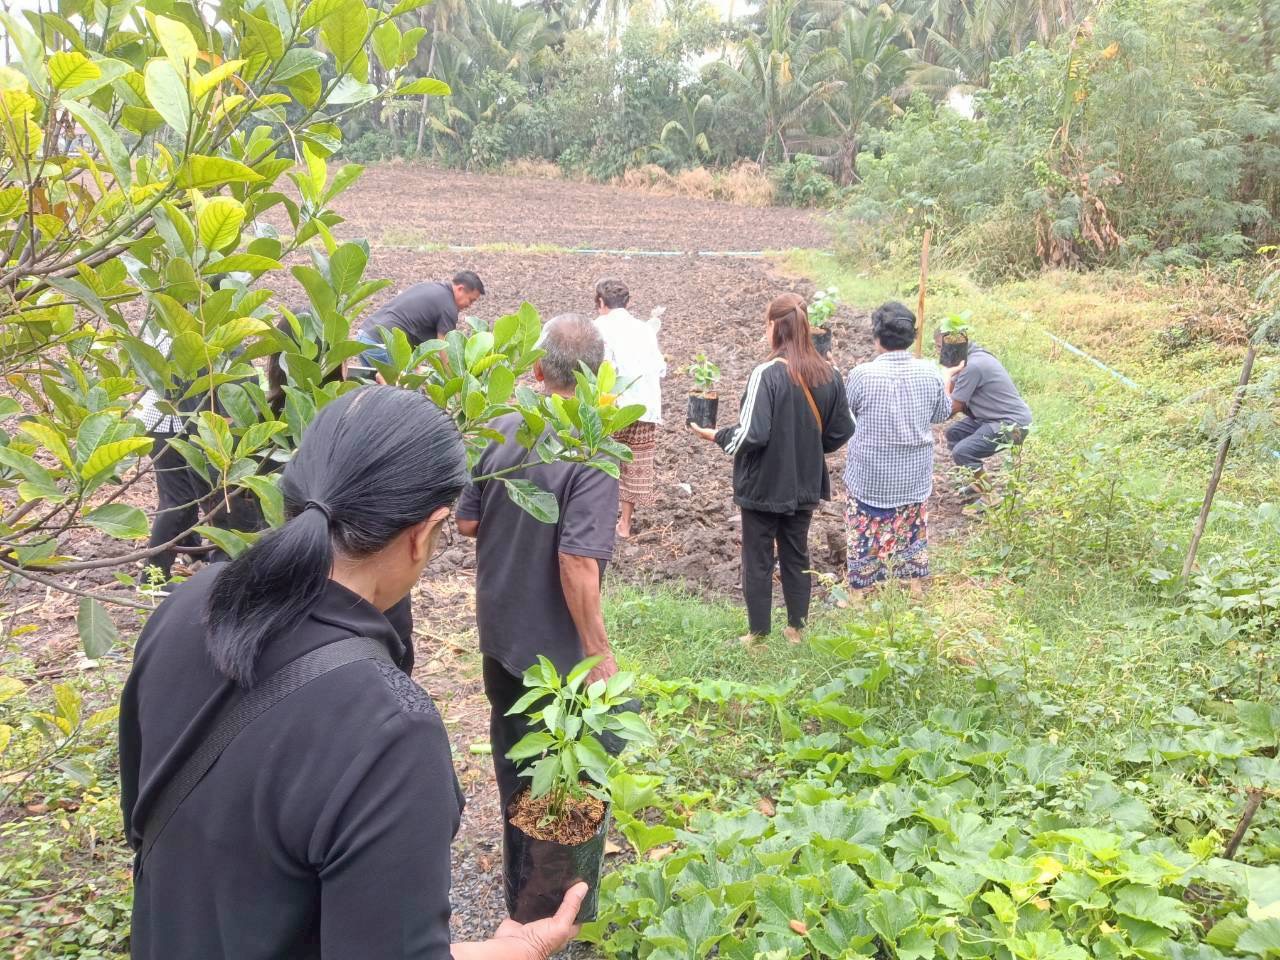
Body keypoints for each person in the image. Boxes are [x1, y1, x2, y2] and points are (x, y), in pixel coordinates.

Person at [119, 386, 587, 960]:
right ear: (425, 530)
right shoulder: (391, 729)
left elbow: (142, 817)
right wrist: (523, 948)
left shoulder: (189, 604)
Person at [456, 314, 621, 823]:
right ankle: (548, 887)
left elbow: (465, 523)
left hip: (501, 630)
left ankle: (520, 874)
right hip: (556, 655)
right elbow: (576, 558)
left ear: (536, 372)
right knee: (563, 776)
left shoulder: (500, 425)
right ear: (598, 375)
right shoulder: (590, 450)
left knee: (513, 759)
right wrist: (598, 652)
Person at [688, 293, 854, 646]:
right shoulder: (830, 373)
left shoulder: (768, 374)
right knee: (797, 553)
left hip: (763, 486)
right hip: (805, 484)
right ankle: (797, 629)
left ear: (775, 327)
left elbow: (752, 433)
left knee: (758, 558)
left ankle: (758, 635)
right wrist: (809, 448)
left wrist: (717, 435)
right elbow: (843, 429)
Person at [844, 302, 951, 593]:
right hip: (913, 477)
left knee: (864, 532)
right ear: (912, 337)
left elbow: (845, 418)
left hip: (870, 477)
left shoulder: (862, 375)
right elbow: (942, 414)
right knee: (911, 527)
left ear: (877, 338)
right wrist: (949, 377)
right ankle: (913, 587)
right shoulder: (930, 373)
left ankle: (860, 592)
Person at [592, 278, 666, 539]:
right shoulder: (645, 329)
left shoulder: (597, 328)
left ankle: (598, 520)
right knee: (633, 464)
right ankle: (624, 524)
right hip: (644, 407)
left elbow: (597, 368)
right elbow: (661, 367)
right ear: (628, 302)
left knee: (600, 462)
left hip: (611, 407)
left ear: (600, 303)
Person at [941, 336, 1032, 502]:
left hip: (1012, 424)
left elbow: (952, 408)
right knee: (954, 433)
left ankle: (990, 497)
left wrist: (926, 416)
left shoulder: (973, 366)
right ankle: (978, 483)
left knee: (962, 451)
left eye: (939, 347)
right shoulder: (972, 358)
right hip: (992, 419)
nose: (938, 352)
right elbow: (953, 388)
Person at [355, 270, 485, 367]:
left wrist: (414, 365)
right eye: (471, 300)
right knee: (405, 395)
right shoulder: (448, 307)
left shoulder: (431, 288)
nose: (469, 305)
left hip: (364, 336)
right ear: (460, 289)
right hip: (381, 344)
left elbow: (412, 328)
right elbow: (444, 350)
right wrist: (456, 381)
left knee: (376, 394)